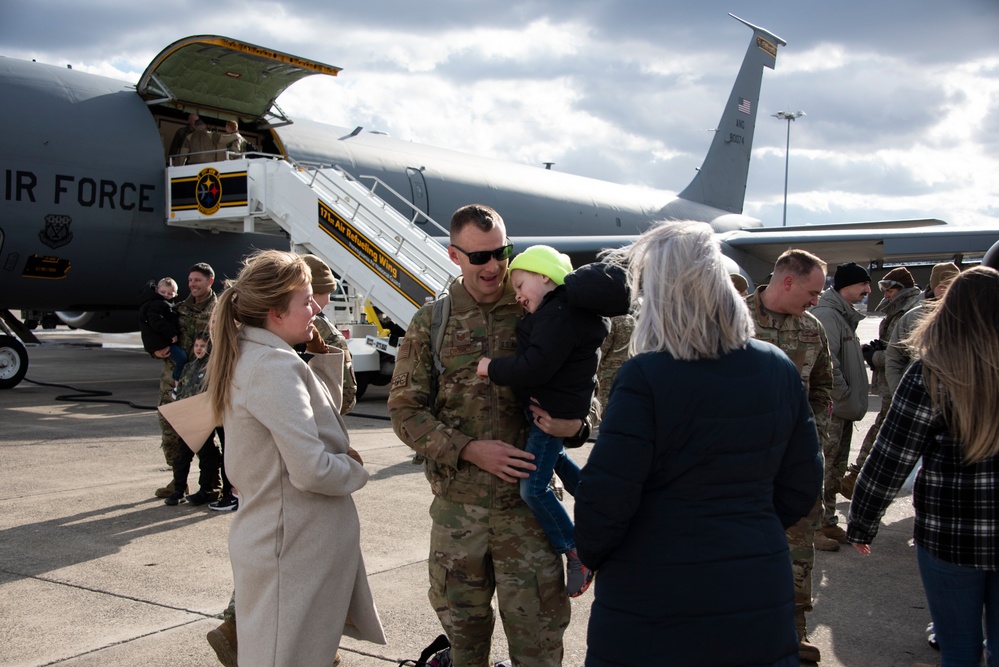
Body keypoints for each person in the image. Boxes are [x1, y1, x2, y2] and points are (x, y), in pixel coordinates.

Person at [574, 221, 822, 667]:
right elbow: (803, 482)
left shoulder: (646, 376)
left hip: (655, 594)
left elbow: (605, 498)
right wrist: (747, 524)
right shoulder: (778, 367)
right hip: (755, 582)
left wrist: (597, 553)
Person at [388, 204, 580, 667]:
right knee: (465, 646)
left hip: (529, 516)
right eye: (479, 258)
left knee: (539, 646)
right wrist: (469, 449)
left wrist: (578, 424)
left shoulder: (543, 310)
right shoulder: (431, 322)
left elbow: (581, 383)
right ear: (455, 256)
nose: (494, 267)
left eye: (502, 253)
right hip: (460, 517)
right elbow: (405, 410)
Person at [205, 249, 385, 666]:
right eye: (306, 301)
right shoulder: (272, 366)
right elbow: (312, 467)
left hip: (287, 544)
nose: (316, 309)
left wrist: (320, 362)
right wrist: (355, 469)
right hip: (294, 548)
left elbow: (319, 425)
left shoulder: (262, 355)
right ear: (275, 312)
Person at [848, 266, 999, 667]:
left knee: (959, 649)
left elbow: (891, 456)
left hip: (950, 536)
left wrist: (862, 521)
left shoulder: (931, 372)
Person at [476, 245, 629, 598]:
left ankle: (576, 548)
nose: (516, 296)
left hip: (552, 415)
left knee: (533, 487)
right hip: (551, 413)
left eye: (520, 284)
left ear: (544, 276)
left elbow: (536, 366)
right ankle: (599, 501)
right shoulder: (563, 313)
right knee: (556, 459)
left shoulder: (558, 315)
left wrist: (491, 368)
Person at [745, 247, 835, 662]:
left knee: (798, 550)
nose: (817, 300)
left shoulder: (812, 329)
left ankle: (793, 635)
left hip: (794, 462)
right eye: (813, 291)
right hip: (741, 462)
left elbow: (822, 387)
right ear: (787, 281)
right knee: (740, 548)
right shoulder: (733, 318)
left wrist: (812, 437)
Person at [839, 266, 922, 499]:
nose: (886, 295)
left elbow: (903, 353)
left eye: (891, 289)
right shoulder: (901, 310)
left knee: (885, 430)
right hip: (893, 383)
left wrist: (874, 356)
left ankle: (860, 477)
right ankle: (860, 476)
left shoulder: (912, 311)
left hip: (901, 384)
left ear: (902, 289)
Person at [810, 261, 871, 544]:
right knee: (824, 465)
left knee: (835, 466)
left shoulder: (842, 315)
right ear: (846, 286)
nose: (868, 290)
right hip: (833, 408)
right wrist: (843, 394)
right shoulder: (828, 315)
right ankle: (817, 526)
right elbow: (828, 361)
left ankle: (829, 520)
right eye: (863, 284)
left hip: (842, 409)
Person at [155, 262, 219, 499]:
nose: (192, 284)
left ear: (209, 281)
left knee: (203, 434)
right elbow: (158, 333)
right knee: (170, 428)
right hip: (175, 379)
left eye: (197, 280)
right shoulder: (177, 308)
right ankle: (177, 481)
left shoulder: (218, 309)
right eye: (190, 280)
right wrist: (155, 350)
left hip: (203, 380)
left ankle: (212, 484)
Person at [163, 331, 222, 506]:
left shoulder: (212, 368)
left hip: (204, 420)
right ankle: (179, 490)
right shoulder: (189, 367)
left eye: (202, 346)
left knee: (207, 457)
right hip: (188, 419)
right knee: (182, 457)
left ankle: (206, 489)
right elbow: (180, 389)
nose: (198, 349)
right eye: (196, 345)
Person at [882, 262, 960, 395]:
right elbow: (894, 358)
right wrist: (900, 393)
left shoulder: (969, 316)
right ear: (933, 286)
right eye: (941, 286)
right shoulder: (913, 317)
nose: (945, 291)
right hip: (920, 393)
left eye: (950, 286)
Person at [138, 277, 188, 385]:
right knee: (182, 357)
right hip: (161, 342)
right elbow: (157, 321)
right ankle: (177, 380)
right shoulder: (157, 304)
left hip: (160, 342)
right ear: (156, 290)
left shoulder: (165, 304)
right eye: (163, 292)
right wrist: (171, 334)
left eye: (170, 293)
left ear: (176, 295)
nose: (166, 295)